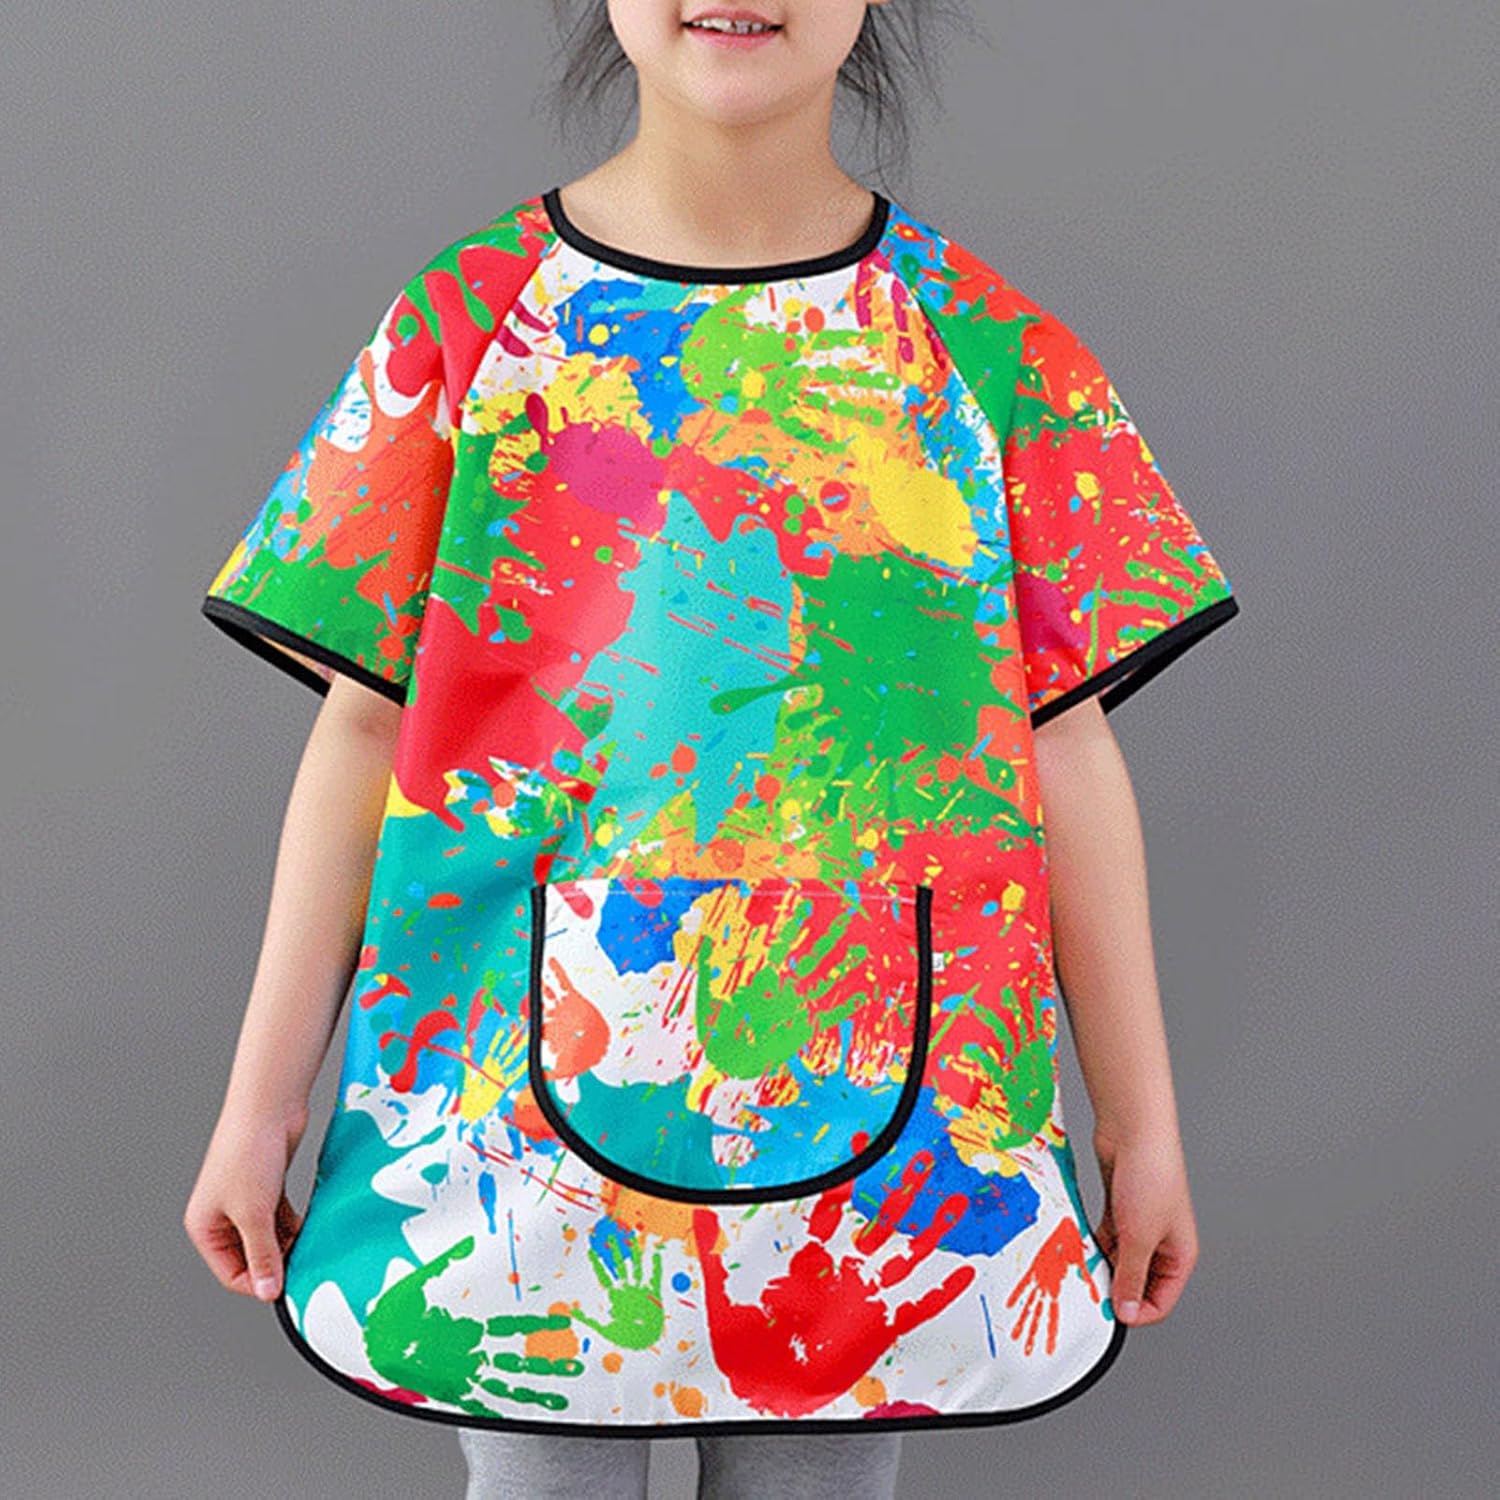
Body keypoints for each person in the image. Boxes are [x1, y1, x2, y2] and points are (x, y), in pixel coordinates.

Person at [183, 3, 1240, 1497]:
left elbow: (1064, 751)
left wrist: (1141, 1127)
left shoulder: (988, 349)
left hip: (898, 1155)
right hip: (502, 1127)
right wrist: (260, 1105)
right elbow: (365, 727)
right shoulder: (471, 325)